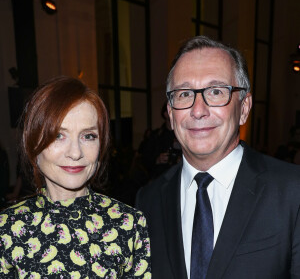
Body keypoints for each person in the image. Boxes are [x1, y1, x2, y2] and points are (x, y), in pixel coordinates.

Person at [135, 36, 300, 279]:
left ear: (244, 108)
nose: (198, 110)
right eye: (184, 94)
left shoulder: (292, 192)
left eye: (215, 91)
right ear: (170, 114)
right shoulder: (147, 202)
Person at [0, 77, 151, 278]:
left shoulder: (129, 224)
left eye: (88, 136)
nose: (75, 152)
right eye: (58, 135)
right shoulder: (7, 228)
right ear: (34, 144)